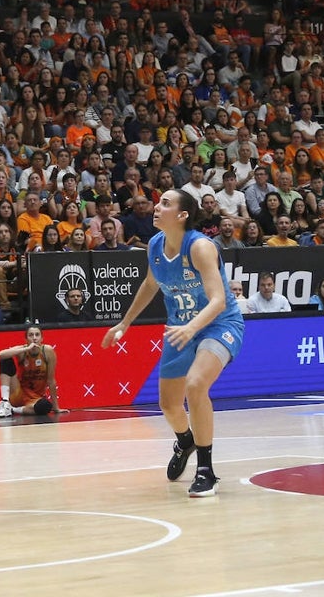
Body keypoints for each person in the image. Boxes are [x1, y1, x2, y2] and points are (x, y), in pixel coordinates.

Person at [102, 189, 245, 498]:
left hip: (218, 324)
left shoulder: (201, 247)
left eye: (165, 203)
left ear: (182, 215)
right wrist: (124, 323)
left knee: (195, 385)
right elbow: (151, 284)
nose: (157, 206)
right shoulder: (154, 245)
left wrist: (192, 326)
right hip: (181, 327)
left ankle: (206, 470)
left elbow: (219, 300)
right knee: (168, 404)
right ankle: (185, 441)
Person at [0, 324, 62, 418]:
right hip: (18, 392)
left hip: (35, 398)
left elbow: (51, 381)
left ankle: (11, 409)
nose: (34, 338)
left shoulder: (47, 351)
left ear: (42, 338)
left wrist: (56, 408)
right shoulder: (23, 350)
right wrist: (27, 348)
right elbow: (1, 354)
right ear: (26, 339)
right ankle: (5, 402)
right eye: (31, 335)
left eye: (37, 335)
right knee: (5, 359)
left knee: (46, 406)